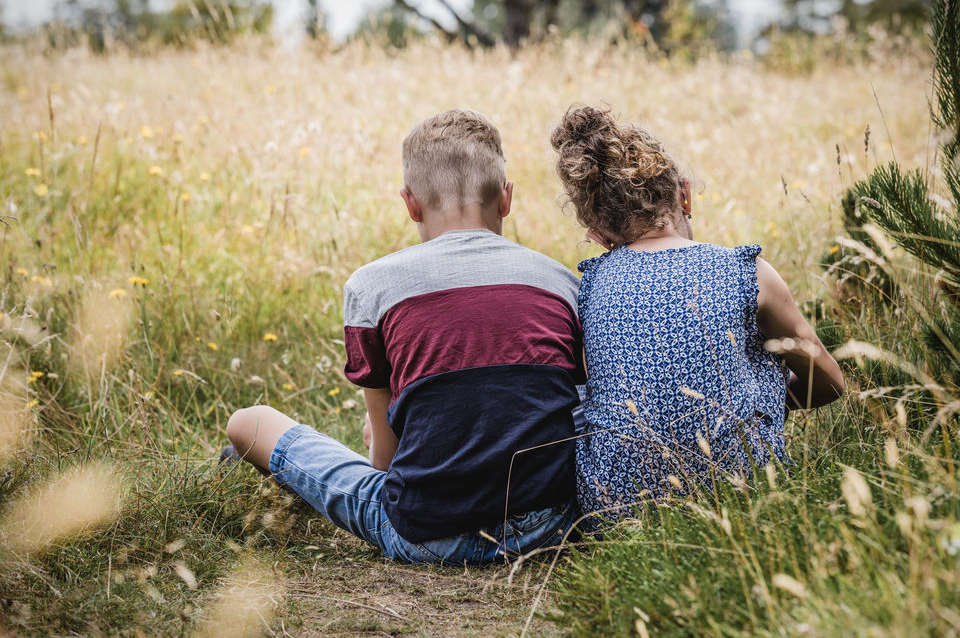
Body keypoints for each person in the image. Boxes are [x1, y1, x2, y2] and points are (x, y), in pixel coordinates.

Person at [225, 109, 584, 564]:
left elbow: (383, 464)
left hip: (426, 536)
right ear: (507, 198)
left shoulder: (372, 286)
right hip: (549, 527)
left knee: (248, 422)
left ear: (410, 203)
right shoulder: (559, 282)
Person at [549, 105, 845, 526]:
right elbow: (829, 382)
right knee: (759, 359)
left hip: (615, 510)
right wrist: (769, 394)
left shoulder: (590, 287)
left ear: (598, 235)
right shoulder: (746, 271)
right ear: (684, 194)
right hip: (744, 497)